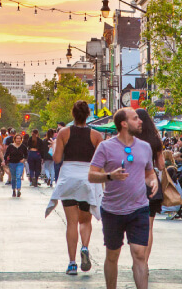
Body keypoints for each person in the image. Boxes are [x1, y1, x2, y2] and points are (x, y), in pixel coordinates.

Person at [88, 108, 158, 289]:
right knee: (112, 255)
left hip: (139, 208)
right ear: (124, 124)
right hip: (112, 210)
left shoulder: (145, 147)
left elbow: (149, 173)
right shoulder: (105, 147)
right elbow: (91, 175)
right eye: (135, 118)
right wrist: (110, 176)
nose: (140, 121)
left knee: (139, 254)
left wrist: (153, 181)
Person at [46, 101, 104, 275]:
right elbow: (100, 162)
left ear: (73, 114)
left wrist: (55, 145)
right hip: (87, 178)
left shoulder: (63, 133)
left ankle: (72, 263)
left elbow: (56, 159)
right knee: (85, 221)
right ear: (88, 114)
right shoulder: (96, 135)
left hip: (69, 178)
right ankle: (85, 247)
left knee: (71, 223)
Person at [134, 109, 165, 265]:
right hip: (152, 184)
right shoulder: (155, 139)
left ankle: (137, 260)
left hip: (133, 184)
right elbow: (161, 166)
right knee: (149, 226)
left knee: (134, 226)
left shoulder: (131, 138)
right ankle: (144, 263)